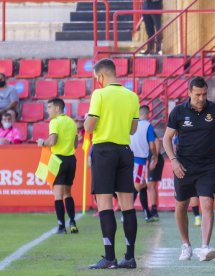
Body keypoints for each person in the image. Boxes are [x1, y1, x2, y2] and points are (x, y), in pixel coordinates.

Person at [163, 76, 215, 261]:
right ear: (189, 93)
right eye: (198, 94)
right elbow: (166, 138)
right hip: (183, 165)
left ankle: (205, 247)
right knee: (181, 204)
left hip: (208, 165)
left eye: (205, 94)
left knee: (207, 203)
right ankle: (186, 245)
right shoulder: (177, 112)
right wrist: (174, 161)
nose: (202, 98)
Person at [84, 58, 139, 269]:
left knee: (104, 203)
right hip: (125, 151)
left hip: (104, 151)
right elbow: (133, 130)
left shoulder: (99, 94)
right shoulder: (132, 96)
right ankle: (130, 257)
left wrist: (89, 119)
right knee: (127, 205)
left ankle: (109, 257)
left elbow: (89, 127)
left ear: (100, 76)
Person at [36, 98, 78, 234]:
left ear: (57, 108)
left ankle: (61, 226)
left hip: (58, 160)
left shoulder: (54, 122)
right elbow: (76, 144)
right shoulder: (71, 122)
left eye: (49, 107)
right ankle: (72, 222)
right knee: (68, 193)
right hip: (71, 160)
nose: (47, 110)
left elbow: (52, 141)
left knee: (58, 195)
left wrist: (43, 142)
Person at [130, 104, 158, 222]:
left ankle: (147, 213)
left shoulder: (131, 124)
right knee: (137, 187)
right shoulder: (147, 125)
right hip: (140, 161)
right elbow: (152, 145)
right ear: (147, 114)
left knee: (143, 186)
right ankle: (126, 213)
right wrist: (155, 156)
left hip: (129, 158)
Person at [147, 134, 164, 220]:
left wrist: (155, 158)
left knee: (151, 186)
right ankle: (151, 210)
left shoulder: (147, 127)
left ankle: (154, 211)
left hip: (154, 159)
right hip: (149, 159)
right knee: (149, 186)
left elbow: (157, 142)